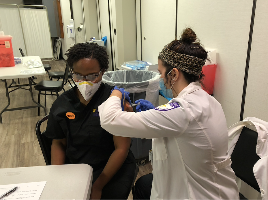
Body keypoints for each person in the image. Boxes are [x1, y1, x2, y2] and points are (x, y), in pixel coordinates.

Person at [98, 28, 239, 200]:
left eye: (160, 73)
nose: (160, 79)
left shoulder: (184, 110)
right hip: (214, 184)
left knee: (144, 186)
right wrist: (154, 113)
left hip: (200, 194)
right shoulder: (206, 100)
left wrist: (116, 93)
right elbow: (181, 129)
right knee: (144, 185)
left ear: (174, 74)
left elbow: (109, 120)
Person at [44, 43, 136, 200]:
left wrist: (98, 185)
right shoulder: (62, 104)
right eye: (78, 75)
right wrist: (57, 179)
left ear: (103, 72)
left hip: (111, 166)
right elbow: (58, 142)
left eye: (93, 76)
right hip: (77, 166)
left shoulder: (114, 100)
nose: (85, 82)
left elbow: (121, 148)